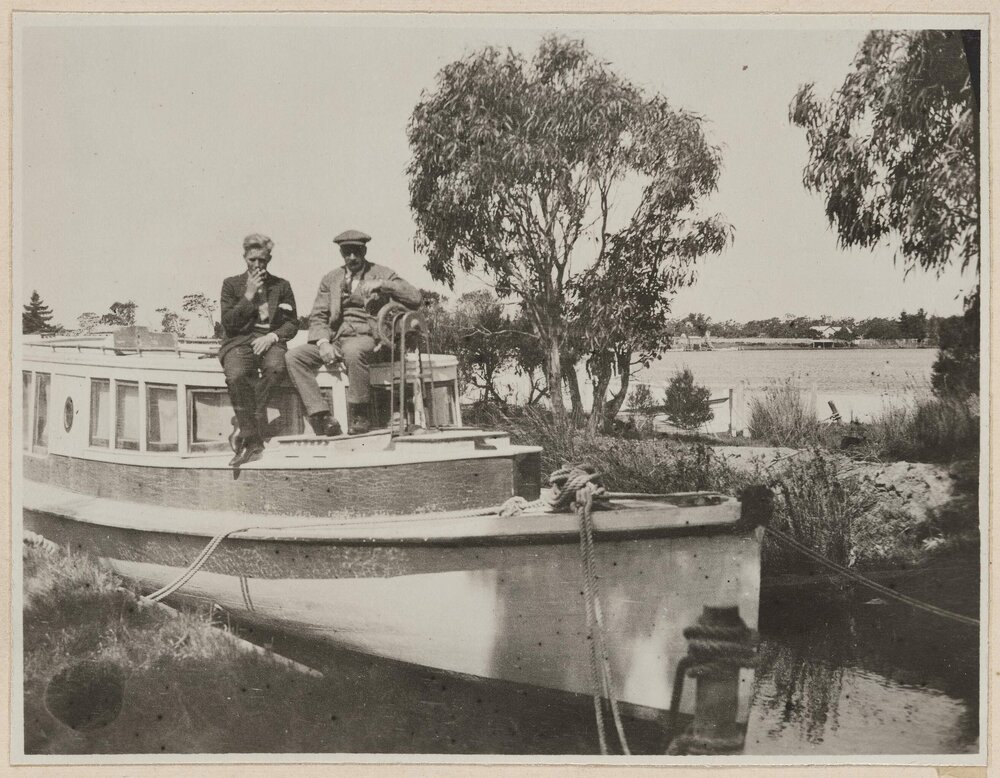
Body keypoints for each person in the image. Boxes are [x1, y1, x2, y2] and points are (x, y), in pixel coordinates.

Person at [286, 229, 421, 435]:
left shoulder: (383, 273)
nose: (352, 257)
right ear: (341, 253)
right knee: (294, 357)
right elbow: (319, 315)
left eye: (356, 252)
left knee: (353, 351)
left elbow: (415, 298)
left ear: (364, 251)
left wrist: (384, 285)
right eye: (347, 252)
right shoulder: (331, 278)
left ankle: (360, 414)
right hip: (337, 338)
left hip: (371, 339)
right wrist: (323, 343)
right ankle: (322, 415)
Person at [219, 234, 298, 467]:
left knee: (276, 368)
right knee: (236, 375)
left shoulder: (281, 286)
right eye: (252, 260)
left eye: (262, 260)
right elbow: (229, 323)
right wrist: (249, 295)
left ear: (269, 259)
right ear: (244, 258)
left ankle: (246, 424)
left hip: (270, 342)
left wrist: (272, 336)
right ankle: (251, 434)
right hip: (239, 342)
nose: (257, 265)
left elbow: (292, 323)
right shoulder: (231, 284)